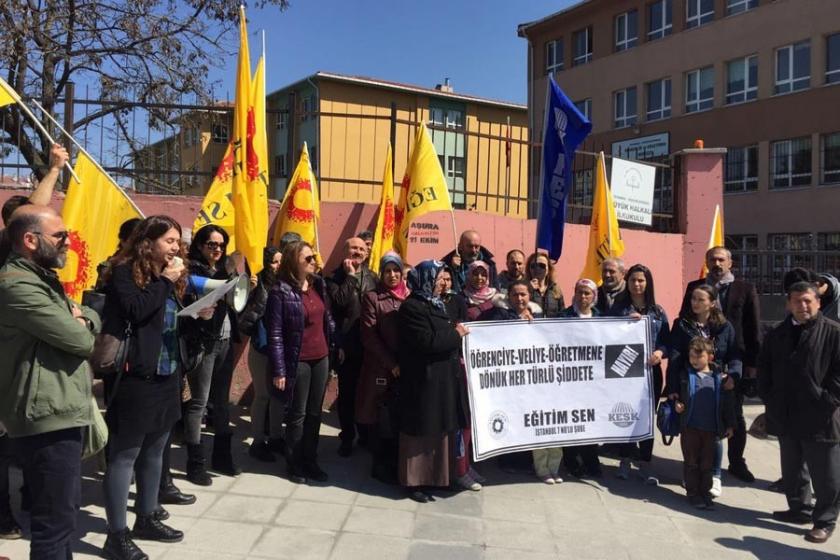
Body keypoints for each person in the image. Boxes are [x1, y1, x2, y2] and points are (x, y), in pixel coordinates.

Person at [0, 205, 100, 559]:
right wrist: (84, 322)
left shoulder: (42, 280)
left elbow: (84, 315)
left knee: (62, 519)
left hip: (59, 410)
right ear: (29, 240)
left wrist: (82, 318)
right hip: (45, 418)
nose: (68, 243)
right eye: (59, 236)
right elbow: (82, 341)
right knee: (53, 526)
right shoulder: (17, 286)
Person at [99, 215, 196, 560]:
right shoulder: (123, 271)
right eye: (169, 241)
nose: (176, 247)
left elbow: (164, 319)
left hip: (168, 372)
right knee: (125, 455)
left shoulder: (164, 277)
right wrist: (167, 282)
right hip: (135, 377)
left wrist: (198, 310)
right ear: (148, 242)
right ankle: (116, 534)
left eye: (177, 242)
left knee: (156, 450)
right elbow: (136, 310)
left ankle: (147, 515)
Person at [759, 281, 840, 544]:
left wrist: (827, 399)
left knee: (825, 473)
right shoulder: (777, 333)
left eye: (807, 300)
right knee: (792, 469)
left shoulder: (834, 333)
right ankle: (799, 510)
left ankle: (825, 520)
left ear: (818, 302)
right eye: (796, 301)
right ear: (788, 304)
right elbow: (765, 368)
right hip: (786, 413)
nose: (802, 306)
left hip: (821, 416)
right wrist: (769, 397)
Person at [679, 246, 761, 483]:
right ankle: (701, 465)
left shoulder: (745, 289)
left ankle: (736, 462)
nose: (716, 264)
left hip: (731, 362)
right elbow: (684, 318)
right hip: (698, 366)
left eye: (721, 260)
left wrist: (752, 365)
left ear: (730, 263)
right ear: (706, 262)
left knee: (734, 415)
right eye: (712, 259)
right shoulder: (695, 287)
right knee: (701, 415)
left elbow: (753, 327)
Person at [397, 261, 469, 503]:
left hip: (443, 379)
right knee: (422, 429)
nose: (441, 282)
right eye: (438, 278)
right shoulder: (412, 307)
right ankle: (415, 482)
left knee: (440, 428)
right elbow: (428, 341)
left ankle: (438, 478)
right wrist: (456, 334)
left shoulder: (437, 305)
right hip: (423, 380)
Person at [266, 241, 335, 484]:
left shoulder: (318, 285)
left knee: (315, 413)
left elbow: (326, 318)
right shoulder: (280, 291)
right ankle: (294, 463)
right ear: (294, 261)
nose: (313, 261)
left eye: (313, 256)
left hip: (321, 357)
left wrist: (333, 344)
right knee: (298, 414)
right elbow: (274, 333)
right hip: (299, 360)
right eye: (307, 258)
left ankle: (310, 459)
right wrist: (279, 369)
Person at [179, 225, 242, 485]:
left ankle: (222, 457)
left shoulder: (225, 269)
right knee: (199, 402)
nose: (217, 249)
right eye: (211, 244)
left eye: (220, 245)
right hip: (203, 343)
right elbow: (186, 302)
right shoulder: (188, 271)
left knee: (221, 401)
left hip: (225, 340)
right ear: (200, 245)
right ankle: (195, 464)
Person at [668, 284, 742, 499]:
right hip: (690, 384)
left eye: (700, 299)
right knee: (691, 431)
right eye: (693, 299)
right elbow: (674, 357)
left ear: (711, 302)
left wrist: (734, 376)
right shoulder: (682, 325)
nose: (695, 303)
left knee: (715, 434)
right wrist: (673, 389)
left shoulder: (724, 327)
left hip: (716, 385)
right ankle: (691, 473)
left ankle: (715, 475)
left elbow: (734, 355)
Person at [483, 281, 561, 484]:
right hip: (507, 379)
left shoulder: (539, 315)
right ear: (508, 296)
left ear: (530, 297)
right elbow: (488, 334)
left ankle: (530, 461)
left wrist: (534, 325)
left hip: (532, 379)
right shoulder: (498, 314)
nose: (520, 299)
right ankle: (508, 459)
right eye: (515, 295)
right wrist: (517, 323)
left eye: (523, 295)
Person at [609, 264, 670, 485]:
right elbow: (606, 337)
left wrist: (659, 352)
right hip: (626, 373)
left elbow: (667, 342)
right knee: (626, 416)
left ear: (648, 283)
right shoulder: (619, 309)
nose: (637, 284)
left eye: (641, 280)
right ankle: (624, 460)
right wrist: (622, 323)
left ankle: (645, 463)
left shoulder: (657, 311)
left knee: (646, 419)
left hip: (650, 372)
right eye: (633, 280)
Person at [357, 252, 410, 483]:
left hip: (406, 366)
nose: (392, 275)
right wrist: (391, 364)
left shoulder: (409, 296)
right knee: (380, 417)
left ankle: (396, 463)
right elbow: (369, 337)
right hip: (382, 367)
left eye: (396, 270)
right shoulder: (372, 297)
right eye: (387, 271)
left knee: (399, 417)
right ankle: (380, 466)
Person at [668, 337, 736, 510]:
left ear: (710, 357)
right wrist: (678, 406)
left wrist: (730, 425)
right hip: (690, 428)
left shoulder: (719, 379)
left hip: (711, 430)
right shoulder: (685, 376)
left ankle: (705, 493)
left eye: (699, 356)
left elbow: (728, 405)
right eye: (692, 356)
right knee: (691, 462)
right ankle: (693, 494)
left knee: (707, 465)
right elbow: (678, 398)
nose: (695, 360)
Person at [327, 236, 377, 457]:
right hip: (346, 345)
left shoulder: (373, 277)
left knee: (367, 393)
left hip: (370, 345)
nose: (357, 252)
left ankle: (366, 435)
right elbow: (337, 302)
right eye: (353, 248)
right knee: (346, 395)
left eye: (361, 248)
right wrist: (349, 278)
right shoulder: (333, 278)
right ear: (345, 251)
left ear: (366, 253)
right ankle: (347, 437)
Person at [239, 246, 285, 462]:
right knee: (263, 395)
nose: (279, 266)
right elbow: (244, 315)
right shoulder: (258, 285)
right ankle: (258, 442)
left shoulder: (286, 286)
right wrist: (251, 291)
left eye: (281, 262)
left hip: (281, 349)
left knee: (278, 395)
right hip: (261, 347)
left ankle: (276, 437)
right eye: (275, 262)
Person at [559, 279, 603, 478]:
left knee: (590, 420)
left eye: (587, 293)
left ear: (594, 296)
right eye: (580, 292)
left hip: (592, 380)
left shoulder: (601, 318)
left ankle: (591, 459)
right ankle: (571, 461)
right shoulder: (564, 316)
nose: (583, 297)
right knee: (571, 420)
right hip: (569, 379)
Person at [0, 144, 69, 266]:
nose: (66, 242)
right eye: (58, 235)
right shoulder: (7, 241)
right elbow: (34, 205)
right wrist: (55, 169)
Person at [95, 218, 143, 291]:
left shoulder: (150, 266)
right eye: (136, 241)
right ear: (123, 241)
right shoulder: (115, 267)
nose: (142, 246)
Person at [525, 252, 564, 317]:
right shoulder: (522, 289)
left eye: (542, 266)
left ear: (548, 269)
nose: (537, 269)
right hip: (532, 326)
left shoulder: (556, 289)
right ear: (529, 269)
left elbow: (562, 313)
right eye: (533, 266)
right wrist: (528, 291)